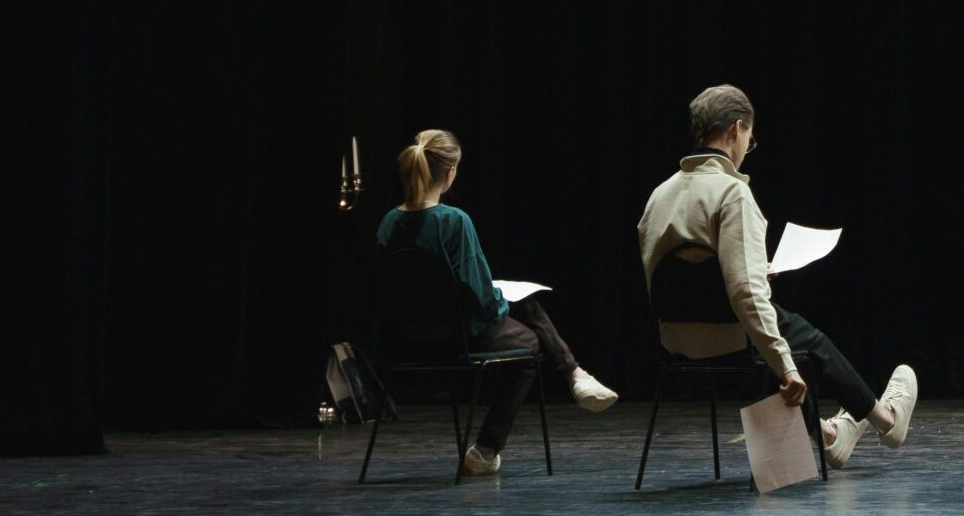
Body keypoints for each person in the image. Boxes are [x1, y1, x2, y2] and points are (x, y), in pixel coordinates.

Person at [636, 83, 918, 469]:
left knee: (774, 332)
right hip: (729, 338)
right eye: (748, 139)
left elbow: (670, 275)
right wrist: (786, 366)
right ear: (736, 130)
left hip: (675, 343)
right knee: (801, 340)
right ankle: (886, 421)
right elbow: (746, 294)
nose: (746, 149)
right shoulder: (732, 193)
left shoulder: (659, 196)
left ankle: (830, 436)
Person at [376, 128, 619, 479]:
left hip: (406, 337)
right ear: (450, 173)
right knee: (528, 340)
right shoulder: (454, 221)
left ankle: (576, 374)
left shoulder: (388, 224)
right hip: (457, 336)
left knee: (526, 306)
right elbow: (484, 303)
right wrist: (504, 301)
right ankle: (487, 448)